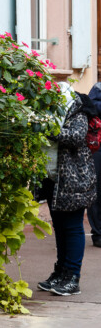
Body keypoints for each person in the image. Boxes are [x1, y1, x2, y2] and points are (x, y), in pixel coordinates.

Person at [37, 84, 97, 296]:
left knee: (72, 227)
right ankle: (61, 272)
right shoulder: (51, 111)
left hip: (75, 179)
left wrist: (46, 129)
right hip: (55, 178)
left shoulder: (77, 110)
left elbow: (76, 137)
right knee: (60, 227)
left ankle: (73, 277)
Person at [87, 82, 101, 247]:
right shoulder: (98, 88)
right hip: (98, 147)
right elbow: (92, 108)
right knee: (97, 190)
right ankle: (98, 234)